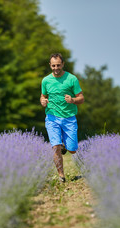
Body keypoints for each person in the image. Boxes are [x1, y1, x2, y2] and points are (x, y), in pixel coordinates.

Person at [40, 53, 84, 182]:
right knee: (55, 146)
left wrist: (73, 100)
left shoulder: (72, 79)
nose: (56, 68)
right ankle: (61, 176)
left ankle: (66, 146)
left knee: (72, 150)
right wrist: (43, 101)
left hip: (69, 118)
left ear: (63, 64)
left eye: (58, 65)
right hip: (52, 117)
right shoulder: (46, 80)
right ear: (50, 65)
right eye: (53, 65)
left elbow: (81, 98)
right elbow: (43, 96)